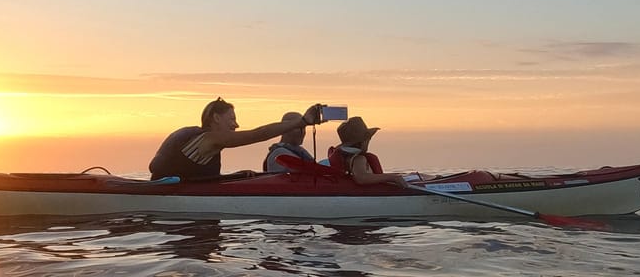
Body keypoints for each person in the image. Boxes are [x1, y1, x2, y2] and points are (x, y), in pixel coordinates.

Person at [150, 97, 323, 181]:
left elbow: (196, 178)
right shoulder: (209, 138)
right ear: (216, 118)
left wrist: (233, 177)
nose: (236, 125)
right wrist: (302, 121)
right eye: (231, 119)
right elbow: (258, 134)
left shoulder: (205, 142)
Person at [328, 116, 434, 187]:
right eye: (368, 139)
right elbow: (361, 178)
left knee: (412, 175)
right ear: (362, 142)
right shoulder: (359, 158)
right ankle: (437, 181)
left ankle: (436, 178)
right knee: (405, 176)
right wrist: (392, 178)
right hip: (373, 192)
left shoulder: (347, 156)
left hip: (373, 186)